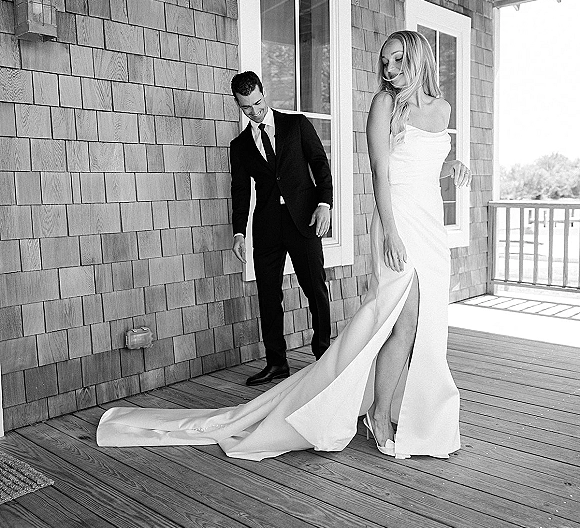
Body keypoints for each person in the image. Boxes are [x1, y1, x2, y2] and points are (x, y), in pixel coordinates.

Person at [97, 31, 471, 461]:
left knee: (423, 326)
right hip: (396, 221)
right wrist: (390, 230)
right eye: (384, 62)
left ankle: (395, 408)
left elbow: (422, 168)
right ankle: (379, 415)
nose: (389, 70)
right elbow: (381, 173)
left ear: (419, 57)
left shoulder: (440, 109)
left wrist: (453, 167)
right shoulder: (384, 104)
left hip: (429, 226)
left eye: (397, 61)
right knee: (398, 322)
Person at [229, 71, 333, 385]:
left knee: (315, 288)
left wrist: (324, 204)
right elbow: (240, 191)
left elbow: (320, 166)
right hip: (267, 227)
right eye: (247, 107)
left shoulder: (297, 125)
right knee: (268, 295)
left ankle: (324, 355)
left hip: (305, 220)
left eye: (258, 103)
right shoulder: (240, 145)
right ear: (238, 104)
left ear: (264, 93)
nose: (255, 111)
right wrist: (239, 232)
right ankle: (277, 362)